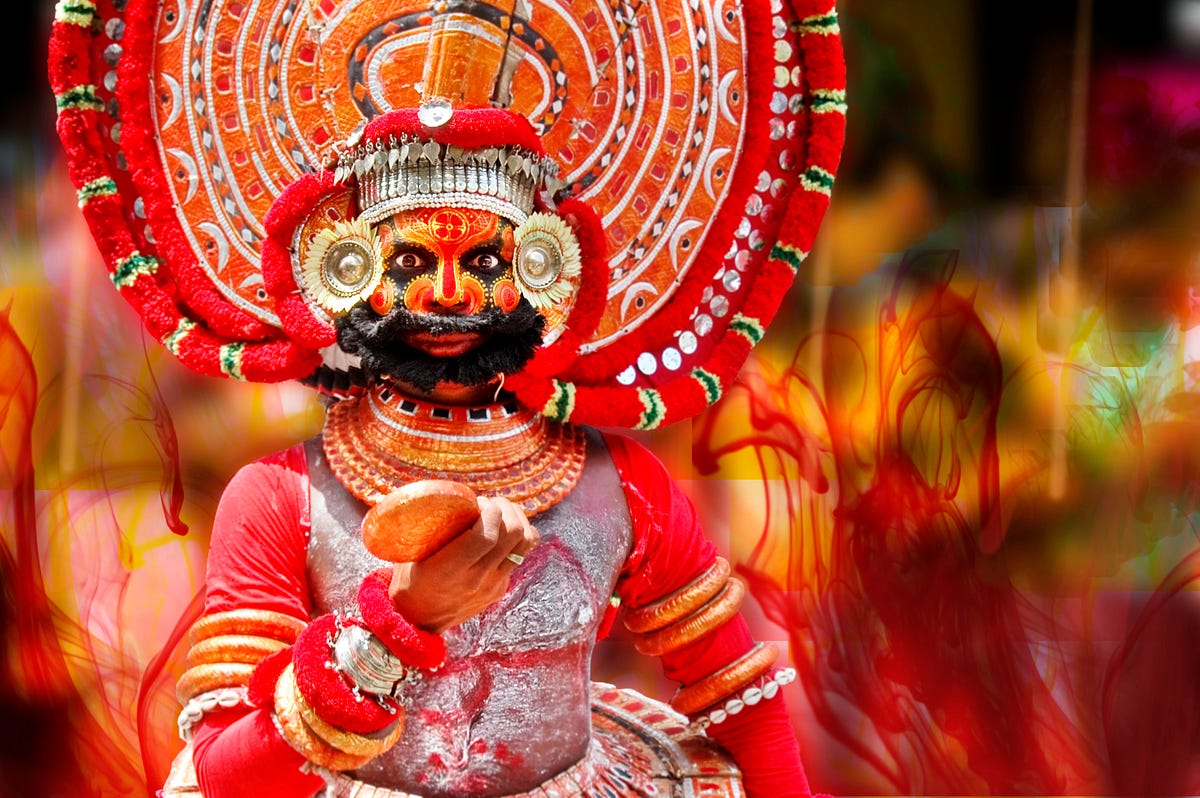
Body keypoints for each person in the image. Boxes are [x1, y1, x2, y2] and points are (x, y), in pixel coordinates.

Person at [48, 0, 846, 795]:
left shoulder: (623, 485)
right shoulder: (280, 499)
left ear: (546, 264)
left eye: (489, 265)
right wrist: (397, 624)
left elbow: (741, 702)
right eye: (407, 266)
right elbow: (229, 779)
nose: (450, 297)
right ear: (345, 267)